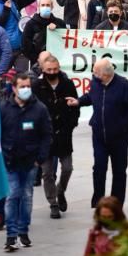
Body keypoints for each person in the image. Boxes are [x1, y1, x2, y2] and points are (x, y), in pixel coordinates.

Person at [69, 59, 128, 207]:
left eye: (95, 72)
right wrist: (78, 102)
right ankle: (98, 201)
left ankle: (116, 204)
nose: (93, 74)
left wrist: (124, 125)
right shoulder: (96, 82)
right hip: (99, 135)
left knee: (119, 171)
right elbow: (91, 96)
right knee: (99, 168)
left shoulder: (124, 85)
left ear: (105, 75)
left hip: (119, 138)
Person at [0, 72, 52, 251]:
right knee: (13, 195)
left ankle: (23, 231)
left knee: (27, 196)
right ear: (14, 88)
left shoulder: (39, 109)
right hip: (10, 161)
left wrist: (40, 158)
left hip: (30, 162)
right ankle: (11, 235)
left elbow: (47, 135)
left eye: (28, 86)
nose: (26, 89)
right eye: (22, 87)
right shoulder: (4, 108)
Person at [31, 55, 79, 219]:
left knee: (67, 168)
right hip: (45, 136)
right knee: (47, 173)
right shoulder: (37, 86)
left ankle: (61, 190)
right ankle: (53, 203)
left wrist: (71, 125)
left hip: (64, 134)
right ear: (43, 69)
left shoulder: (67, 84)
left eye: (55, 69)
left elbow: (75, 106)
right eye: (49, 70)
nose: (52, 72)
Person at [21, 0, 66, 65]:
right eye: (43, 5)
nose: (45, 7)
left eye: (48, 5)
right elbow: (25, 46)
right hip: (38, 63)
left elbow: (65, 42)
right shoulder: (31, 24)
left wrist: (57, 28)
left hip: (57, 62)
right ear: (38, 7)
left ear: (52, 7)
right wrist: (38, 60)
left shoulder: (60, 23)